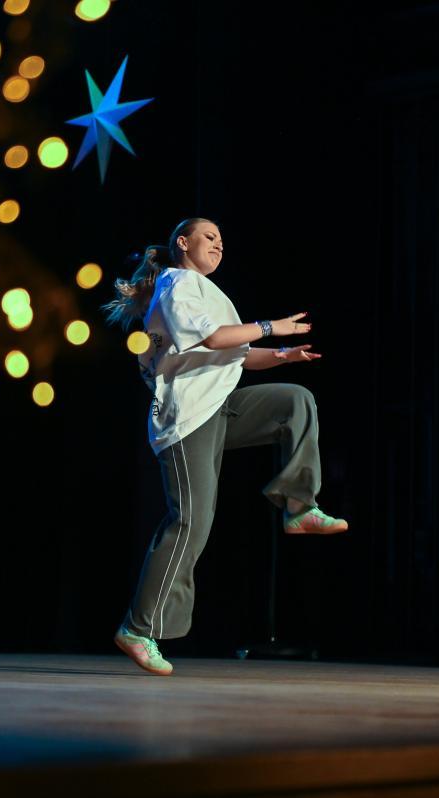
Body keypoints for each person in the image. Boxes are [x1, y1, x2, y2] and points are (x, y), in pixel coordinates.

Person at [101, 217, 348, 676]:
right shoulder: (177, 284)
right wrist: (271, 327)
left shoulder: (205, 291)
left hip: (218, 407)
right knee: (191, 522)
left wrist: (282, 355)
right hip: (187, 418)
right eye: (209, 237)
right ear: (183, 243)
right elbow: (216, 337)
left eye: (221, 240)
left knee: (295, 401)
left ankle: (298, 505)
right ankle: (137, 628)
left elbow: (236, 353)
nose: (218, 245)